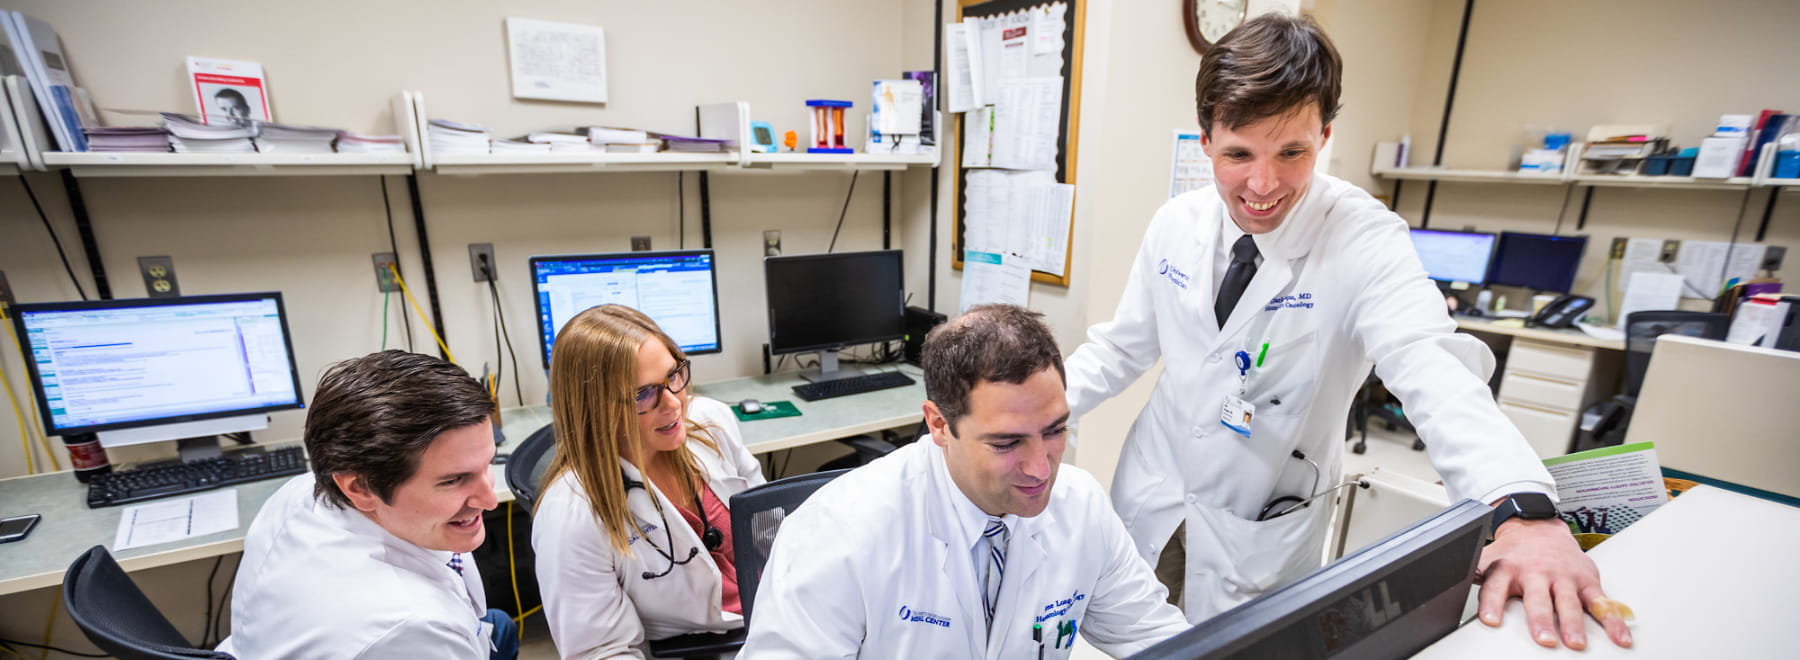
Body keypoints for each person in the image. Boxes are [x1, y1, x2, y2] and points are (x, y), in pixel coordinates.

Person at [1064, 13, 1632, 651]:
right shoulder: (1176, 224)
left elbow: (1430, 362)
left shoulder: (1363, 238)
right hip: (1155, 492)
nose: (1263, 184)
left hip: (1260, 526)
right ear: (1205, 140)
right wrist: (1027, 413)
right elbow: (1121, 347)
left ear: (1325, 136)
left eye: (1293, 152)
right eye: (1238, 154)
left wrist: (1521, 510)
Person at [741, 305, 1189, 659]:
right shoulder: (838, 531)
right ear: (938, 425)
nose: (1041, 468)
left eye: (1054, 431)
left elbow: (1159, 638)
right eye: (1007, 443)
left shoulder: (1081, 507)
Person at [218, 350, 517, 659]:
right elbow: (417, 630)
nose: (490, 500)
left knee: (500, 625)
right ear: (360, 487)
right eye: (453, 480)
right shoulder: (413, 628)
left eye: (488, 464)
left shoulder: (303, 489)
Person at [531, 304, 765, 658]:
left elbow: (770, 528)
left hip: (774, 611)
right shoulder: (571, 515)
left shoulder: (711, 423)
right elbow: (602, 651)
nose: (673, 404)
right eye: (643, 394)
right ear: (595, 407)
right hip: (709, 646)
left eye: (673, 376)